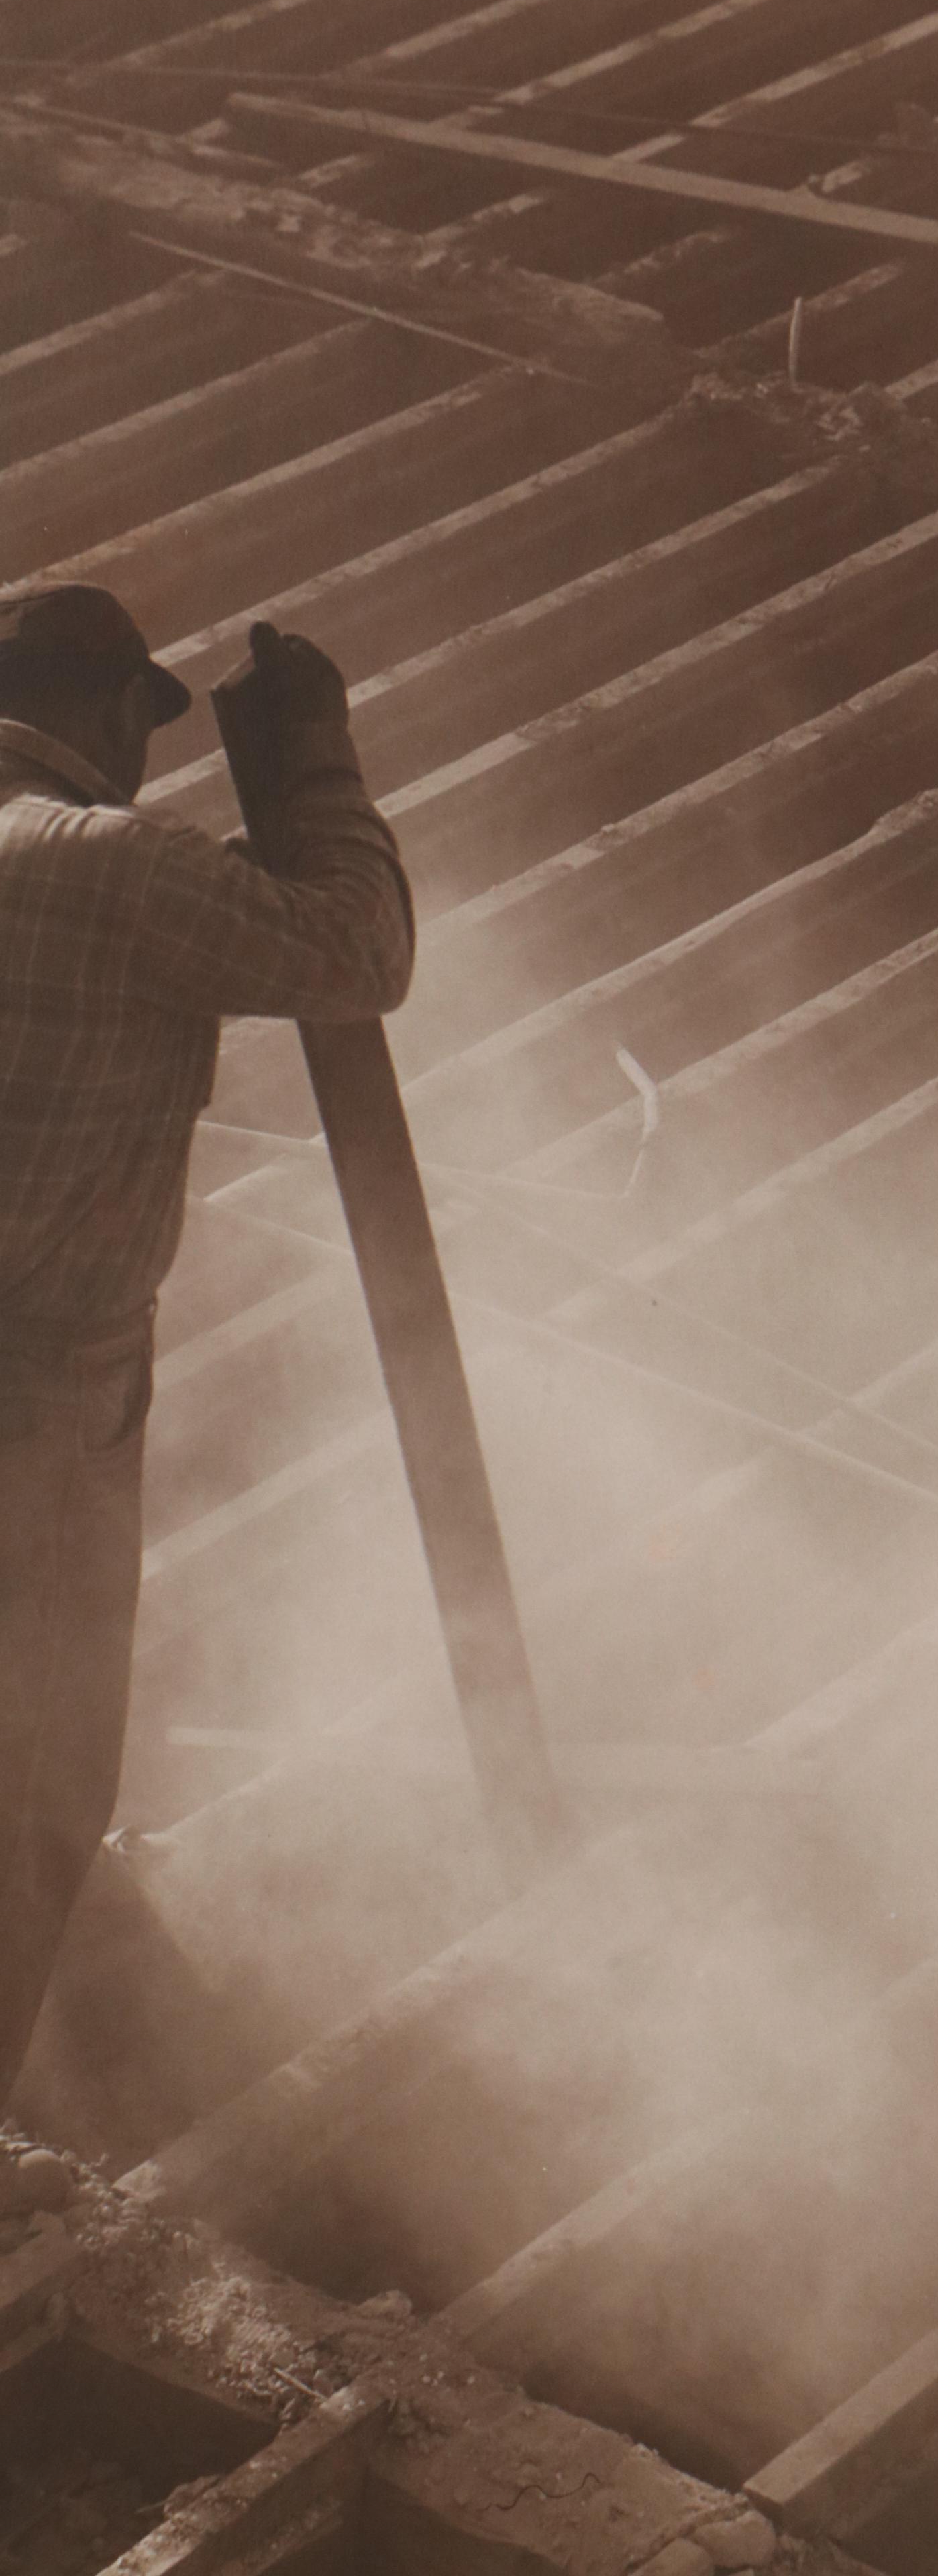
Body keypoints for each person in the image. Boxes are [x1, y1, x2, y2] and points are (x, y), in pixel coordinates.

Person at [0, 585, 413, 2202]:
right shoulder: (106, 867)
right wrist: (314, 768)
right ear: (113, 722)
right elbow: (355, 952)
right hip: (33, 1406)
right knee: (32, 1789)